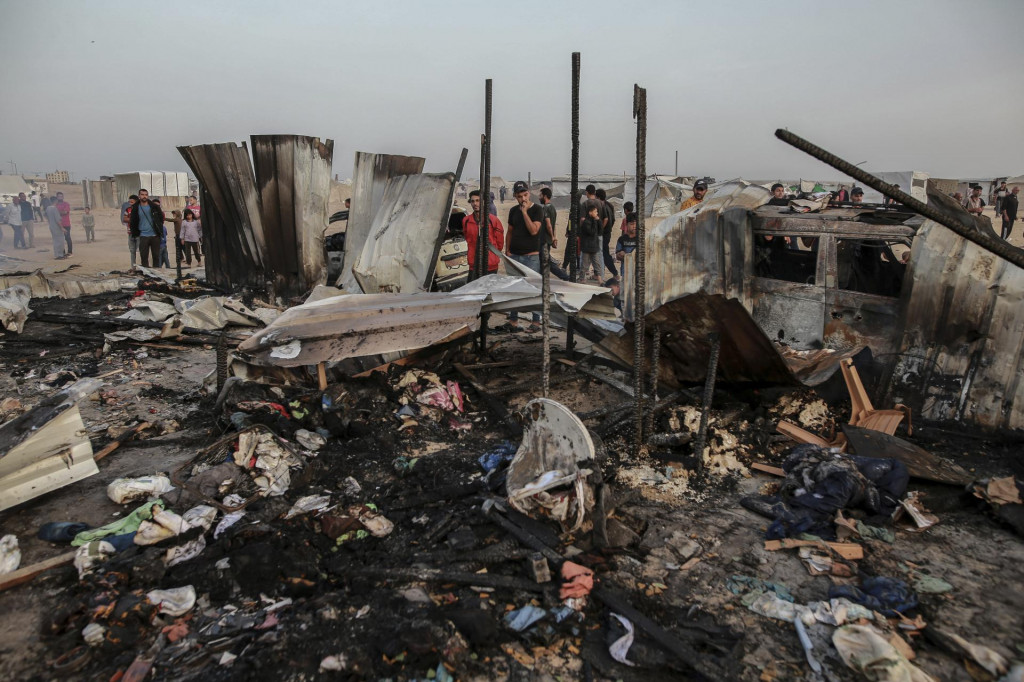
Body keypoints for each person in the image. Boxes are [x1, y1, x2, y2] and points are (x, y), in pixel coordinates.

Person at [502, 180, 544, 331]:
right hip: (514, 256)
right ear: (515, 196)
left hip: (531, 257)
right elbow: (510, 231)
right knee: (514, 290)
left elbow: (533, 230)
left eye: (525, 195)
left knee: (533, 290)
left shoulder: (537, 210)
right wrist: (507, 250)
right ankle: (513, 321)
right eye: (520, 196)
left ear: (529, 193)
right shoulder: (513, 211)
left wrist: (525, 212)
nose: (523, 199)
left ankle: (535, 322)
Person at [462, 190, 504, 275]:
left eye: (478, 201)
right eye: (473, 201)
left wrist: (492, 255)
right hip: (474, 264)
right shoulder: (466, 221)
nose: (475, 204)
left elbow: (500, 243)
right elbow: (468, 239)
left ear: (483, 202)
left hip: (490, 264)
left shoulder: (493, 220)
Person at [129, 189, 164, 267]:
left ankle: (156, 273)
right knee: (144, 257)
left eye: (146, 195)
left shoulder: (154, 206)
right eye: (142, 194)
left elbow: (161, 218)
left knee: (156, 256)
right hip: (143, 235)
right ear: (139, 196)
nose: (144, 196)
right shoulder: (135, 207)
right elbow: (133, 221)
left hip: (155, 235)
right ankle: (146, 273)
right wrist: (135, 233)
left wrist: (159, 229)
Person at [595, 188, 618, 281]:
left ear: (598, 196)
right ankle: (598, 274)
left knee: (603, 254)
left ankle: (614, 273)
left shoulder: (600, 205)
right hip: (608, 233)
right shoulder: (610, 205)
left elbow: (604, 220)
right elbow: (613, 219)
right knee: (600, 253)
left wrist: (600, 230)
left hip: (602, 233)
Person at [579, 202, 604, 282]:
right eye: (595, 211)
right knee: (584, 265)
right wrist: (595, 221)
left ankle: (600, 281)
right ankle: (582, 279)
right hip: (587, 247)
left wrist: (599, 221)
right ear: (590, 212)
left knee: (597, 264)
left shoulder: (594, 221)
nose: (597, 213)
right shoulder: (586, 222)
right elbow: (592, 232)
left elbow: (600, 231)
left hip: (594, 246)